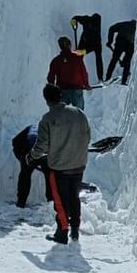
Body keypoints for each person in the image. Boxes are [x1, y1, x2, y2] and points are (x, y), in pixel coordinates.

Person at [26, 84, 91, 244]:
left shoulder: (48, 119)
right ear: (61, 96)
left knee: (60, 202)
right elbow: (87, 135)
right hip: (79, 165)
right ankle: (75, 230)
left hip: (59, 167)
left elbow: (42, 146)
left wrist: (31, 157)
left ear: (47, 100)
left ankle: (62, 232)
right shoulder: (78, 113)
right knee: (74, 198)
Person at [12, 125, 52, 208]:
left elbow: (15, 141)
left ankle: (21, 202)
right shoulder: (49, 130)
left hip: (29, 148)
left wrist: (22, 159)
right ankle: (51, 202)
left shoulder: (30, 128)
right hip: (44, 150)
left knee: (25, 174)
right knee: (49, 176)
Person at [47, 36, 91, 110]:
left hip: (62, 90)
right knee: (79, 114)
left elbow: (51, 78)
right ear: (69, 45)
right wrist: (86, 84)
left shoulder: (56, 61)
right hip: (76, 90)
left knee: (60, 113)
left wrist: (53, 89)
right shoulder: (77, 58)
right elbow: (83, 72)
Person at [70, 13, 104, 82]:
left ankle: (100, 78)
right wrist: (74, 23)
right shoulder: (85, 19)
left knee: (98, 58)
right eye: (91, 25)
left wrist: (83, 52)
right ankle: (74, 76)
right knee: (78, 58)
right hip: (84, 40)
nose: (92, 27)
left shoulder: (97, 36)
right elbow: (75, 18)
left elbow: (93, 47)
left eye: (94, 27)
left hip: (94, 45)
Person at [105, 19, 136, 85]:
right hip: (130, 44)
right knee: (127, 63)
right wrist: (124, 62)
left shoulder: (124, 24)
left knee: (114, 60)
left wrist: (110, 41)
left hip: (121, 42)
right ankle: (124, 81)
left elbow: (111, 28)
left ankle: (107, 78)